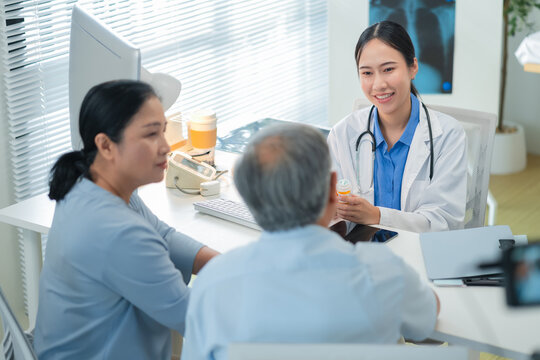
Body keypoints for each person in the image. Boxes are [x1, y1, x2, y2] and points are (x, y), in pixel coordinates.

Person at [181, 123, 440, 360]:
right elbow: (426, 320)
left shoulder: (212, 283)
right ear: (332, 189)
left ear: (249, 199)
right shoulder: (381, 272)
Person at [34, 80, 219, 359]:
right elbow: (195, 319)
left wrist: (224, 265)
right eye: (151, 135)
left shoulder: (87, 184)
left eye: (163, 131)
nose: (166, 147)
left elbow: (163, 235)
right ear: (106, 145)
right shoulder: (119, 232)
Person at [327, 21, 467, 233]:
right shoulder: (342, 133)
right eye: (367, 73)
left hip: (420, 256)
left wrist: (377, 216)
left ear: (413, 67)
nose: (378, 84)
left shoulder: (448, 135)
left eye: (388, 69)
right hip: (360, 254)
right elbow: (329, 211)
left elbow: (445, 221)